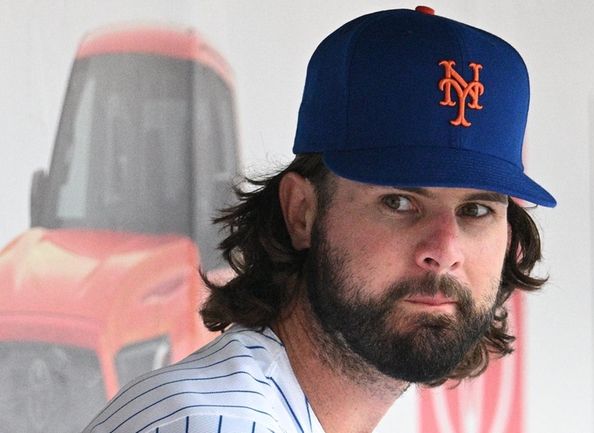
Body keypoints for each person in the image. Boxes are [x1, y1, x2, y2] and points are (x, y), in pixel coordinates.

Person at [82, 6, 556, 433]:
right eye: (400, 202)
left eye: (475, 210)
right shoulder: (220, 423)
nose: (445, 249)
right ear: (302, 213)